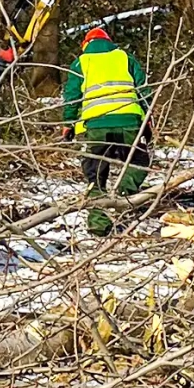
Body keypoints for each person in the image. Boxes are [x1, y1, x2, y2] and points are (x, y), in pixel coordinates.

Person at [62, 21, 150, 237]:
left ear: (85, 44)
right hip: (129, 122)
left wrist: (68, 124)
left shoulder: (81, 62)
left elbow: (72, 97)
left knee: (96, 176)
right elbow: (144, 91)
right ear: (109, 42)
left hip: (97, 127)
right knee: (138, 161)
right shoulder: (125, 58)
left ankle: (98, 225)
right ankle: (125, 195)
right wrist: (148, 120)